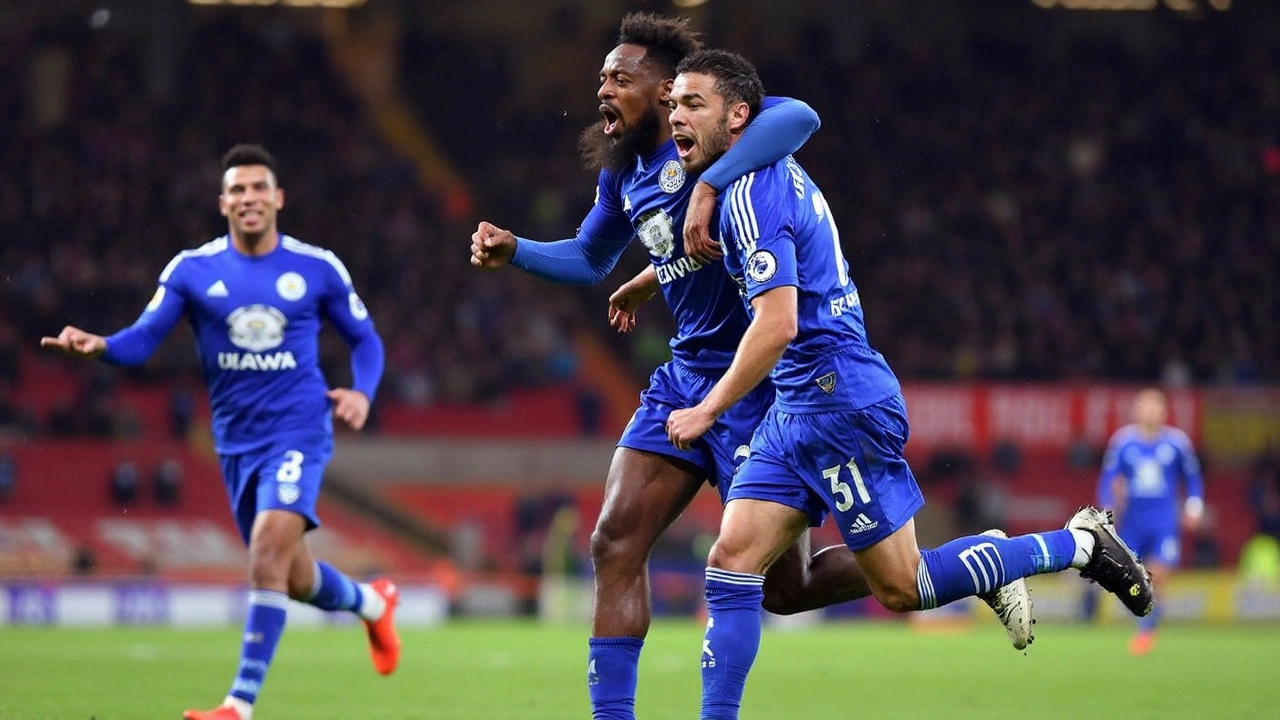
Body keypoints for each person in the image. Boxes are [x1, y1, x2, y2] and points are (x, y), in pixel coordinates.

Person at [470, 14, 1031, 720]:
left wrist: (708, 185)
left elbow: (797, 115)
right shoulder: (627, 178)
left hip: (762, 386)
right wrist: (517, 248)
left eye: (620, 78)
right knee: (614, 540)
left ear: (668, 87)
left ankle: (964, 562)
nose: (604, 91)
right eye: (600, 81)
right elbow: (589, 257)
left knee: (783, 592)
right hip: (684, 375)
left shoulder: (727, 149)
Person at [659, 49, 1155, 719]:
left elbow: (777, 324)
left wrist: (709, 407)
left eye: (692, 103)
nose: (675, 115)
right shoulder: (757, 168)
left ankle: (1080, 544)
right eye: (672, 105)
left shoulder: (751, 193)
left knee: (903, 587)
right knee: (735, 562)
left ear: (739, 116)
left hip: (838, 403)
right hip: (795, 402)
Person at [40, 144, 399, 720]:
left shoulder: (317, 267)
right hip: (234, 443)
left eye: (259, 187)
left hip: (299, 431)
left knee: (264, 553)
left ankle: (239, 704)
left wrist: (361, 391)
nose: (249, 198)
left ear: (278, 198)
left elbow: (366, 340)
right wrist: (102, 347)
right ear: (222, 203)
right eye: (237, 190)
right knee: (293, 577)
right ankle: (374, 606)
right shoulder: (191, 271)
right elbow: (143, 338)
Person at [1097, 388, 1205, 655]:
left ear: (1163, 411)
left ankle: (1147, 631)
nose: (1149, 411)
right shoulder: (1122, 443)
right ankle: (1146, 622)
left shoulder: (1177, 443)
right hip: (1132, 521)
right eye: (1144, 406)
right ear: (1136, 411)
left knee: (1159, 575)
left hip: (1163, 521)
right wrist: (1107, 509)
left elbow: (1192, 478)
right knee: (1133, 577)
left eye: (1154, 406)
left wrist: (1194, 505)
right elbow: (1108, 479)